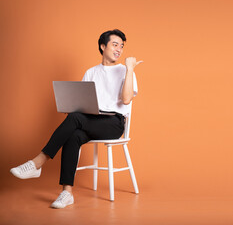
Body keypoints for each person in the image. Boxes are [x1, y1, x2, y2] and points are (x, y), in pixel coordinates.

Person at [10, 29, 142, 209]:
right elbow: (82, 102)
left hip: (114, 123)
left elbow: (126, 99)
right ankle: (67, 192)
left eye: (122, 46)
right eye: (115, 44)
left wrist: (130, 68)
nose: (119, 49)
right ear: (103, 46)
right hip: (91, 119)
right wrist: (71, 106)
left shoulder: (125, 70)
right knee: (73, 135)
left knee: (75, 119)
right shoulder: (91, 72)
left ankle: (38, 162)